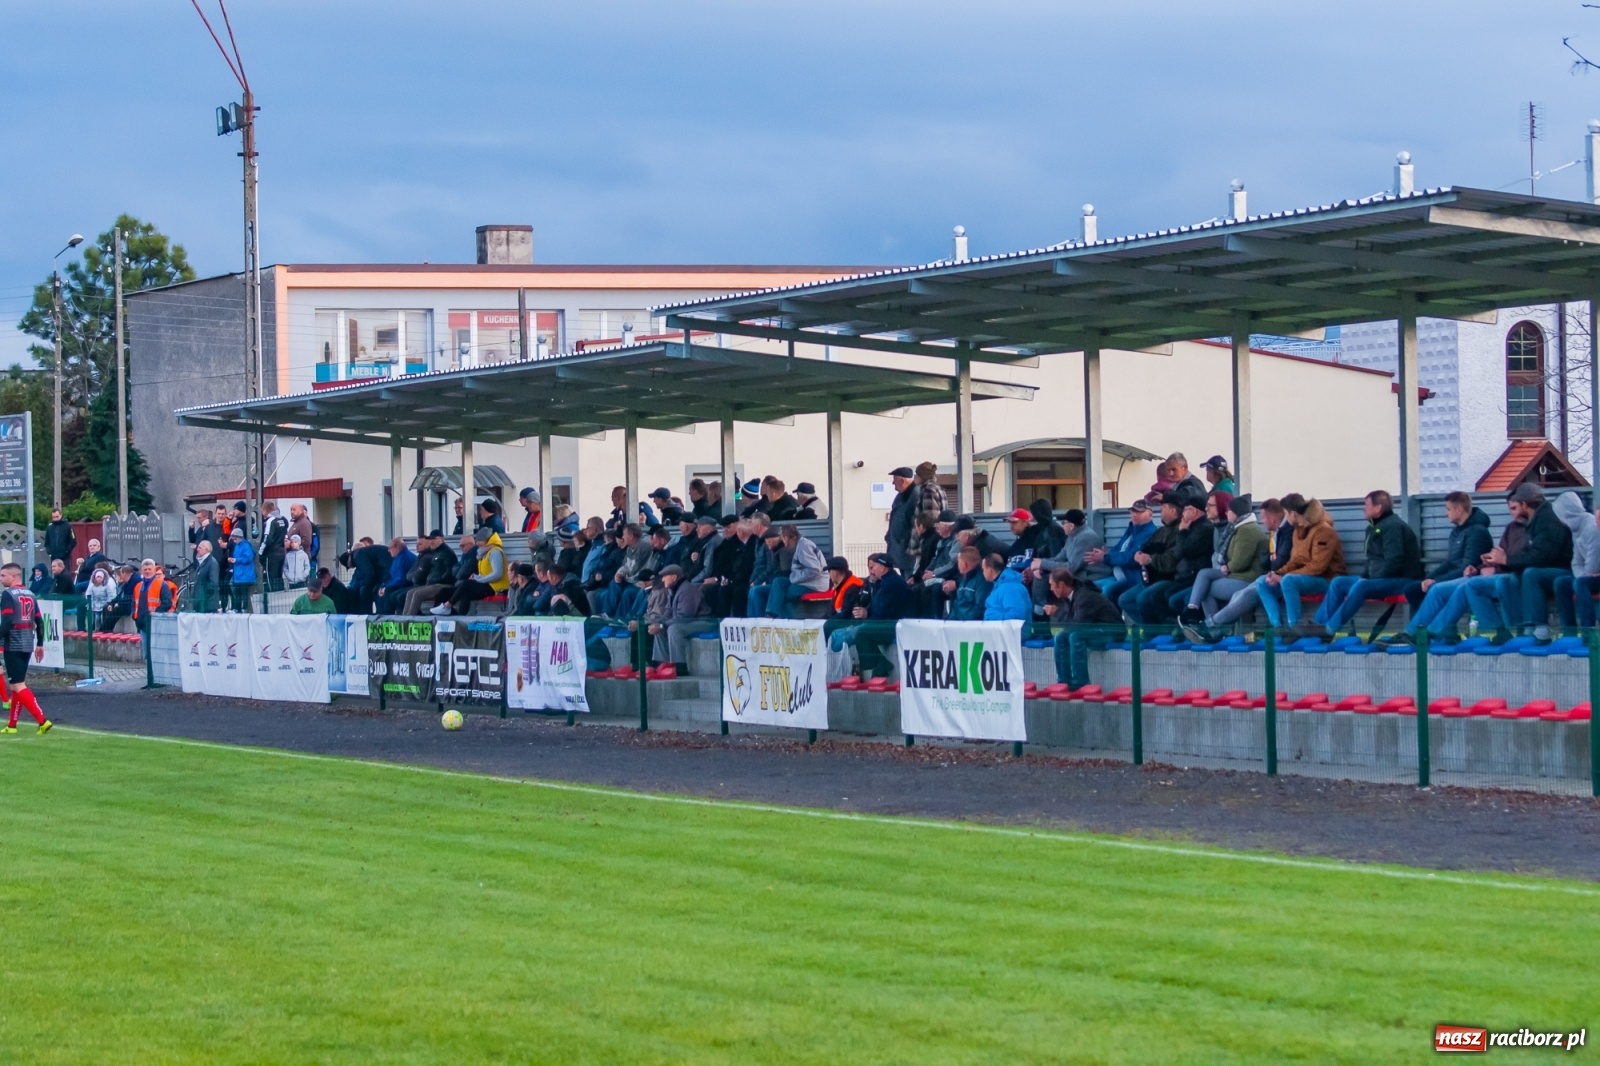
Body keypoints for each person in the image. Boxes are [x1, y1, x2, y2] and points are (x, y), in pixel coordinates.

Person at [1380, 491, 1496, 646]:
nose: (1445, 513)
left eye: (1448, 509)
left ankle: (1416, 633)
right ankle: (1434, 630)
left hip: (1469, 578)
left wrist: (1436, 580)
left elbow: (1466, 566)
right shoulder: (1457, 532)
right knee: (1414, 589)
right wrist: (1429, 577)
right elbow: (1450, 562)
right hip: (1456, 577)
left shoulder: (1477, 532)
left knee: (1435, 588)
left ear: (1459, 509)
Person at [1464, 482, 1573, 641]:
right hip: (1544, 568)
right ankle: (1519, 630)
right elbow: (1529, 554)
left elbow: (1541, 557)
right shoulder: (1535, 519)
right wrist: (1496, 560)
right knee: (1516, 577)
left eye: (1515, 506)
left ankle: (1538, 629)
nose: (1512, 512)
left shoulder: (1547, 520)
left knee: (1530, 574)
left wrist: (1506, 559)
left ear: (1524, 504)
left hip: (1560, 570)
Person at [1313, 489, 1423, 638]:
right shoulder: (1373, 528)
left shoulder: (1392, 526)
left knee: (1361, 586)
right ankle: (1318, 626)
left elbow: (1394, 560)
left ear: (1378, 508)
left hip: (1402, 579)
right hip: (1379, 578)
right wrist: (1365, 575)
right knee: (1338, 582)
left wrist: (1371, 579)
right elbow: (1372, 558)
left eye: (1367, 505)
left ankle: (1329, 630)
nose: (1363, 509)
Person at [1179, 494, 1267, 638]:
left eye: (1229, 510)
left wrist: (1228, 566)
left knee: (1206, 589)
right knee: (1204, 573)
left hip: (1247, 578)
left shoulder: (1247, 531)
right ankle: (1193, 610)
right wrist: (1227, 566)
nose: (1226, 513)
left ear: (1236, 512)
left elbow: (1239, 563)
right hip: (1235, 573)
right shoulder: (1237, 528)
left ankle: (1215, 630)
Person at [1253, 495, 1346, 630]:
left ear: (1293, 514)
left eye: (1285, 513)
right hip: (1304, 578)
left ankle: (1294, 628)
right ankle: (1277, 627)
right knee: (1263, 582)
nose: (1284, 517)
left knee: (1289, 581)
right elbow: (1295, 560)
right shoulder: (1298, 531)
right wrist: (1277, 573)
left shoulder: (1324, 531)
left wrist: (1284, 577)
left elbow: (1318, 567)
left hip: (1328, 579)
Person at [829, 553, 912, 675]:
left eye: (873, 567)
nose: (871, 571)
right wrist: (866, 614)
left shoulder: (892, 583)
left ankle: (874, 668)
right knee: (841, 633)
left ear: (882, 568)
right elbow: (876, 608)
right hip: (885, 622)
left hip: (893, 625)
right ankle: (877, 666)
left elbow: (882, 610)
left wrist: (866, 616)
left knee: (861, 634)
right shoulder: (883, 582)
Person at [1047, 569, 1124, 690]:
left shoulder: (1084, 597)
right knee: (1060, 636)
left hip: (1112, 630)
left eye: (1052, 584)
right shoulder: (1070, 597)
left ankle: (1080, 683)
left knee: (1076, 636)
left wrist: (1057, 613)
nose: (1051, 589)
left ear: (1061, 585)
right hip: (1094, 629)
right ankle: (1064, 681)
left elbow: (1078, 626)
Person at [0, 563, 51, 735]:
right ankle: (12, 725)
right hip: (28, 642)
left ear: (13, 577)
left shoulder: (7, 595)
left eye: (3, 576)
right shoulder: (30, 594)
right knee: (16, 685)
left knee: (18, 684)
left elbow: (6, 622)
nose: (1, 579)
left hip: (13, 643)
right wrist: (40, 644)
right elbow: (40, 621)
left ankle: (42, 720)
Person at [1029, 507, 1107, 614]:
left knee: (1049, 580)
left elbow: (1071, 567)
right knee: (1040, 575)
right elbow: (1060, 558)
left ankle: (1042, 613)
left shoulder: (1086, 537)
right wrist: (1040, 565)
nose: (1061, 525)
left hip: (1091, 577)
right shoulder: (1073, 536)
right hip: (1078, 574)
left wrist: (1042, 564)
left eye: (1063, 522)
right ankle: (1040, 611)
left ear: (1071, 525)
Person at [1092, 500, 1157, 605]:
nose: (1134, 514)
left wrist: (1106, 557)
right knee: (1093, 586)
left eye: (1139, 512)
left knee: (1108, 591)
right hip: (1119, 575)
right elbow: (1118, 549)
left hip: (1134, 578)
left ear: (1150, 514)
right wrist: (1107, 555)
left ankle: (1114, 620)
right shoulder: (1132, 529)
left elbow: (1130, 557)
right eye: (1132, 511)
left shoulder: (1149, 533)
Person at [435, 526, 508, 615]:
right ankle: (460, 617)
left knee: (467, 584)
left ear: (486, 541)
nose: (477, 543)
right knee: (466, 592)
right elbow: (486, 573)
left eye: (479, 541)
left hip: (496, 587)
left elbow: (497, 574)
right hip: (489, 584)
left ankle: (447, 606)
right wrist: (476, 577)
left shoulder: (495, 552)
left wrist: (479, 579)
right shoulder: (485, 553)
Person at [1553, 493, 1600, 630]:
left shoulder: (1592, 528)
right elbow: (1576, 562)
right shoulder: (1576, 530)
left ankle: (1588, 631)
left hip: (1594, 576)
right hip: (1590, 575)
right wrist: (1584, 574)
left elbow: (1593, 566)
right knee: (1561, 583)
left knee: (1580, 583)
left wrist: (1586, 574)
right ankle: (1569, 632)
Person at [764, 523, 830, 618]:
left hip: (814, 584)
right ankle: (772, 613)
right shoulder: (800, 544)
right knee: (778, 582)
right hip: (805, 581)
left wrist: (796, 578)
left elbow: (814, 570)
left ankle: (783, 619)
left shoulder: (804, 546)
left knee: (783, 594)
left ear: (787, 537)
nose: (783, 541)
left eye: (783, 538)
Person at [884, 465, 918, 572]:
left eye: (894, 479)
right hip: (900, 550)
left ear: (902, 480)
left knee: (909, 581)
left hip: (908, 551)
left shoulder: (915, 495)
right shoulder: (901, 496)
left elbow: (917, 523)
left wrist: (904, 539)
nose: (893, 483)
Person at [982, 552, 1033, 621]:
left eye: (983, 569)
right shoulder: (1000, 586)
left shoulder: (1010, 587)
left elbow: (1017, 615)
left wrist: (991, 617)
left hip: (1013, 631)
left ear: (989, 569)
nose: (983, 572)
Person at [946, 546, 992, 621]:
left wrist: (963, 622)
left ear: (965, 564)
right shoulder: (963, 580)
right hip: (958, 624)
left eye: (959, 562)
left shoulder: (982, 581)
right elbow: (957, 604)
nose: (958, 565)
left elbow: (980, 607)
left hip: (972, 625)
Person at [371, 536, 413, 608]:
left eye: (390, 548)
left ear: (397, 547)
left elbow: (401, 579)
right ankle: (380, 612)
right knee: (377, 589)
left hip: (405, 584)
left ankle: (386, 614)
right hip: (397, 582)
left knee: (388, 591)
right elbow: (392, 576)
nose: (388, 551)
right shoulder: (397, 558)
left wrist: (386, 587)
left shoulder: (404, 558)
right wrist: (384, 585)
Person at [259, 500, 289, 592]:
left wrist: (260, 552)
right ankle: (279, 599)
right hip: (281, 553)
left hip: (271, 555)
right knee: (278, 578)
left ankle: (272, 600)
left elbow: (267, 538)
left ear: (265, 510)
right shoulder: (282, 520)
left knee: (271, 579)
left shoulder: (270, 521)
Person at [227, 529, 256, 612]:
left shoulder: (246, 545)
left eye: (235, 538)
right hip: (239, 574)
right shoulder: (237, 546)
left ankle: (243, 608)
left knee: (244, 594)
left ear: (239, 537)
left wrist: (236, 560)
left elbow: (249, 558)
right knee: (238, 593)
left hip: (245, 575)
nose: (234, 540)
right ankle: (238, 608)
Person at [192, 540, 221, 613]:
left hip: (208, 604)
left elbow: (213, 583)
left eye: (200, 548)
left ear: (207, 549)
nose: (197, 549)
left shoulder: (212, 563)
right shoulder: (201, 562)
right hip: (200, 603)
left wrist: (203, 596)